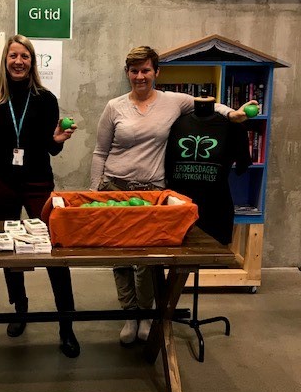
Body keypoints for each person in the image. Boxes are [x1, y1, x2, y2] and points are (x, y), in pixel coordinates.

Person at [90, 45, 256, 346]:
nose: (140, 76)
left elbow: (209, 105)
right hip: (115, 189)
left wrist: (234, 113)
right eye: (134, 71)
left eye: (146, 70)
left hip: (152, 193)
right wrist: (94, 192)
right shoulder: (114, 106)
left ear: (156, 72)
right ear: (127, 73)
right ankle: (130, 314)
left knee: (146, 260)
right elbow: (101, 151)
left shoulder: (173, 101)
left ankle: (145, 312)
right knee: (119, 257)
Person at [0, 34, 80, 358]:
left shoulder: (46, 100)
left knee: (54, 251)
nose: (18, 61)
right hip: (3, 183)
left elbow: (51, 148)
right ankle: (20, 308)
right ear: (5, 61)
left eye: (25, 56)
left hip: (37, 182)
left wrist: (57, 140)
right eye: (13, 56)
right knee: (10, 250)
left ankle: (67, 325)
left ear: (32, 62)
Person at [165, 93, 252, 245]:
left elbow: (242, 166)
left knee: (213, 255)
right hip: (178, 209)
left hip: (216, 211)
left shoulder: (234, 128)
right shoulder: (174, 124)